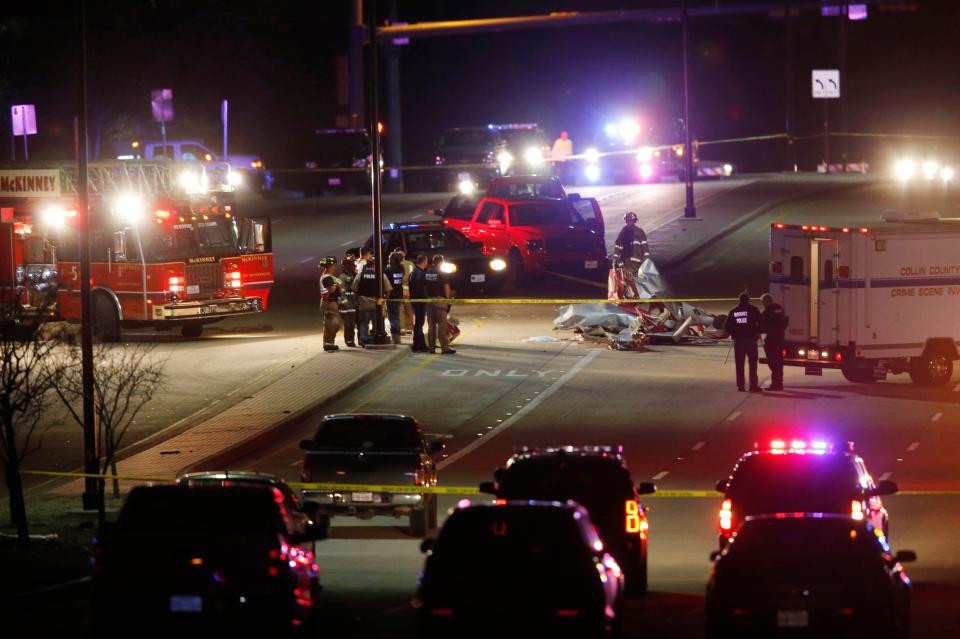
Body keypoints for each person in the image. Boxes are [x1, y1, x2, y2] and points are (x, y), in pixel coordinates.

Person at [726, 292, 763, 392]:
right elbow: (761, 322)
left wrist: (734, 334)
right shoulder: (753, 309)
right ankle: (753, 386)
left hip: (739, 341)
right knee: (753, 364)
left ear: (739, 299)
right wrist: (757, 331)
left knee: (739, 364)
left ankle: (741, 386)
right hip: (751, 340)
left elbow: (728, 326)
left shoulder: (734, 311)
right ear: (748, 299)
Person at [352, 253, 392, 346]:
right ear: (375, 265)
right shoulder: (380, 275)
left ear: (367, 264)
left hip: (363, 303)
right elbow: (389, 289)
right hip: (377, 304)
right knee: (377, 323)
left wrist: (356, 301)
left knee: (363, 323)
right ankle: (375, 339)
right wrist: (384, 300)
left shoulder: (360, 275)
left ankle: (363, 340)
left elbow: (354, 288)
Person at [424, 254, 456, 355]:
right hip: (440, 300)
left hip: (429, 300)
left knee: (431, 325)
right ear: (441, 262)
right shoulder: (442, 273)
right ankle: (445, 348)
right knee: (442, 325)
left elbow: (424, 286)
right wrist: (448, 299)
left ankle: (431, 348)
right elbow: (446, 286)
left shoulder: (427, 272)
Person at [761, 292, 788, 391]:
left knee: (773, 363)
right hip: (780, 338)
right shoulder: (779, 308)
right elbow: (784, 321)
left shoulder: (767, 311)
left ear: (766, 301)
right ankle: (779, 383)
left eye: (763, 301)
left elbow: (763, 326)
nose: (762, 303)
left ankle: (775, 385)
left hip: (772, 340)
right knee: (779, 363)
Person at [613, 211, 651, 279]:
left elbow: (646, 249)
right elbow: (617, 245)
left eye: (631, 220)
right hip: (624, 261)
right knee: (627, 281)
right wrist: (615, 258)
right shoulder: (623, 231)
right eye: (628, 220)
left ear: (634, 221)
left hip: (635, 263)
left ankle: (637, 287)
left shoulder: (639, 231)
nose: (629, 222)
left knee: (636, 280)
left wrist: (645, 262)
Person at [318, 256, 342, 352]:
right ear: (330, 266)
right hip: (329, 303)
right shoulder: (327, 278)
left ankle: (328, 343)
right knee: (333, 324)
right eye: (333, 265)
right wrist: (337, 284)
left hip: (331, 303)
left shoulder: (329, 277)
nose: (335, 267)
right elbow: (332, 289)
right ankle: (329, 343)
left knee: (330, 324)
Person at [408, 253, 429, 352]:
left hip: (414, 300)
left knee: (418, 324)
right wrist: (424, 298)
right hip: (419, 301)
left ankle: (419, 344)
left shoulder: (413, 272)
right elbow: (420, 288)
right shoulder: (420, 273)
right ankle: (419, 345)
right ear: (424, 262)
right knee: (419, 324)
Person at [385, 250, 406, 345]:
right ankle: (397, 337)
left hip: (391, 296)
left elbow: (385, 282)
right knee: (396, 316)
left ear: (394, 260)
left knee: (393, 318)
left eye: (390, 259)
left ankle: (396, 337)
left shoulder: (388, 270)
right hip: (399, 294)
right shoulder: (401, 268)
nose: (389, 260)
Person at [338, 254, 358, 347]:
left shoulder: (355, 276)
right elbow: (341, 293)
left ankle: (352, 340)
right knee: (348, 324)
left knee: (352, 324)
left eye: (354, 264)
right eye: (352, 265)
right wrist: (346, 304)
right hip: (345, 306)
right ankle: (349, 341)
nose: (354, 266)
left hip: (354, 305)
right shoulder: (341, 278)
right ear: (346, 266)